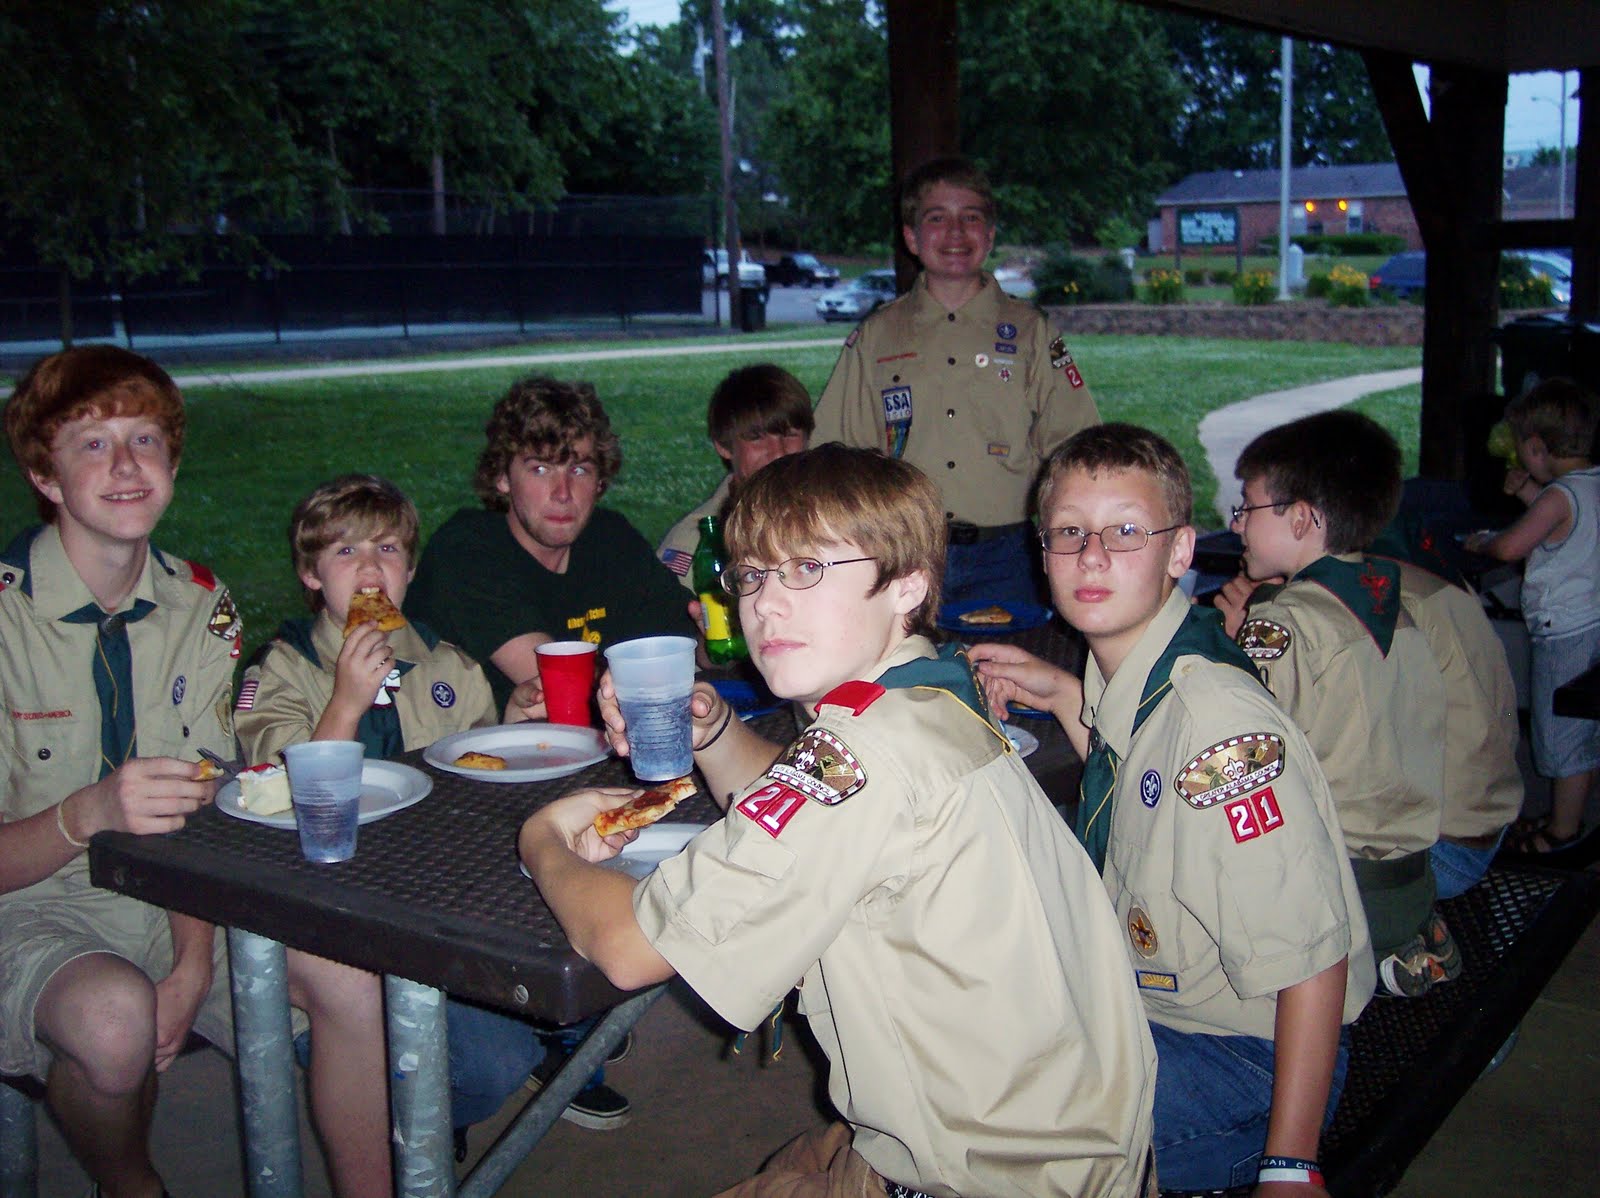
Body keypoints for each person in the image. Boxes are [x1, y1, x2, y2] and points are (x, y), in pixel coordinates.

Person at [520, 443, 1157, 1198]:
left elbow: (628, 948)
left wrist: (541, 842)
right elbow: (825, 814)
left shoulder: (867, 752)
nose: (765, 604)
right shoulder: (930, 694)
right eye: (752, 575)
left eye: (808, 568)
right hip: (1079, 1142)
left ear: (907, 584)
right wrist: (717, 733)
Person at [1, 347, 390, 1198]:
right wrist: (87, 813)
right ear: (45, 473)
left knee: (349, 974)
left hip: (179, 893)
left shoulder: (200, 606)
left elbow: (203, 806)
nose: (127, 465)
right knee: (114, 1021)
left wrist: (192, 962)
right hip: (31, 903)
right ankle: (131, 1183)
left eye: (145, 440)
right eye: (92, 444)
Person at [970, 424, 1373, 1193]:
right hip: (1164, 1015)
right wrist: (1058, 693)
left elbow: (1312, 958)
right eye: (1068, 533)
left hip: (1251, 1065)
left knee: (977, 1125)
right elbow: (1146, 793)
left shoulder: (1216, 727)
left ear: (1180, 552)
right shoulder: (1141, 674)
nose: (1092, 555)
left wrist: (1290, 1164)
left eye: (1126, 531)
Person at [233, 473, 547, 1150]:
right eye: (346, 553)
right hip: (329, 913)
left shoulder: (447, 666)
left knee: (508, 1059)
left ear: (409, 568)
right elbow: (284, 802)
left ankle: (426, 1108)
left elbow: (479, 789)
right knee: (460, 1057)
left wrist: (510, 722)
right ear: (310, 575)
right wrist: (346, 699)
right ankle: (363, 1080)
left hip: (434, 902)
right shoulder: (282, 669)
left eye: (388, 551)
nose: (371, 568)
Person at [1214, 410, 1452, 999]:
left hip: (1341, 899)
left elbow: (1242, 759)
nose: (1238, 525)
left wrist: (1225, 647)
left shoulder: (1282, 624)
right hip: (1410, 888)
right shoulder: (1394, 608)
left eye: (1247, 507)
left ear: (1300, 518)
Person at [811, 156, 1099, 608]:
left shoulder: (1030, 331)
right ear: (912, 236)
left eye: (971, 218)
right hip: (907, 554)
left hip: (1012, 556)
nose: (955, 233)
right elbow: (836, 450)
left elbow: (1076, 444)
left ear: (989, 235)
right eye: (937, 218)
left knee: (1011, 673)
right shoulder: (877, 336)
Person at [408, 375, 694, 717]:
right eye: (540, 469)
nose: (562, 492)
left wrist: (717, 635)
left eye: (579, 469)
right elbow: (562, 689)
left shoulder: (611, 538)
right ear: (502, 477)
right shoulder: (465, 551)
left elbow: (688, 647)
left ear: (600, 480)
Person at [1467, 377, 1600, 857]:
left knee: (1560, 735)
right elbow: (1563, 532)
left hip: (1565, 632)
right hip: (1591, 623)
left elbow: (1511, 546)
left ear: (1538, 447)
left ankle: (1562, 835)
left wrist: (1485, 541)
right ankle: (1565, 818)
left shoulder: (1558, 496)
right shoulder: (1588, 485)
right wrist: (1528, 494)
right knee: (1581, 730)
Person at [1370, 515, 1523, 895]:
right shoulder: (1421, 564)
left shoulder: (1372, 596)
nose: (1238, 527)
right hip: (1488, 819)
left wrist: (1249, 641)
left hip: (1443, 850)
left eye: (1250, 508)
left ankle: (1405, 936)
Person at [656, 363, 814, 588]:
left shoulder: (840, 521)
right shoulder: (698, 546)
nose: (778, 451)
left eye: (789, 434)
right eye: (757, 438)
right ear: (723, 446)